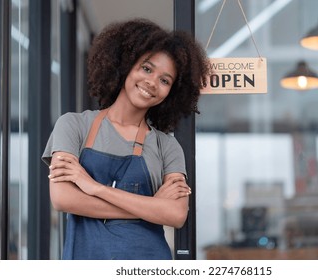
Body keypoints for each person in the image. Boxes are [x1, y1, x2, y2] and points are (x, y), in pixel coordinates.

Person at [42, 18, 210, 260]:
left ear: (171, 92)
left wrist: (95, 188)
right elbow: (63, 198)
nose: (152, 82)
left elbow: (175, 215)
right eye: (146, 68)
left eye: (165, 80)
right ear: (126, 65)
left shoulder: (167, 146)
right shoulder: (74, 125)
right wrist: (151, 207)